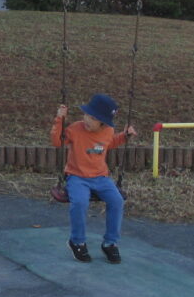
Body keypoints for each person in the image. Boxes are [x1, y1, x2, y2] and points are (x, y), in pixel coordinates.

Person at [50, 93, 137, 264]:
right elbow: (57, 141)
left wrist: (124, 136)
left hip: (100, 177)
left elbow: (109, 144)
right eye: (87, 115)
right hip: (77, 176)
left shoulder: (108, 131)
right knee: (80, 202)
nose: (87, 120)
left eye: (93, 118)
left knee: (117, 201)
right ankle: (77, 241)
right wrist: (59, 119)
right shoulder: (75, 129)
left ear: (103, 122)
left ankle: (110, 243)